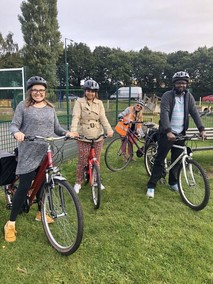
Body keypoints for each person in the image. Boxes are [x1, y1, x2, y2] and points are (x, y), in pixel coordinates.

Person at [4, 76, 71, 242]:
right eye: (35, 90)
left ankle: (41, 212)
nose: (38, 93)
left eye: (41, 90)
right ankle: (10, 223)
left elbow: (56, 128)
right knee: (25, 184)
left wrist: (66, 133)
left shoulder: (50, 108)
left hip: (46, 150)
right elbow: (13, 125)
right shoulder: (23, 106)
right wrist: (17, 133)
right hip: (28, 150)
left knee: (43, 182)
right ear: (30, 91)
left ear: (45, 92)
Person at [146, 71, 206, 198]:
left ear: (187, 84)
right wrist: (168, 131)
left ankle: (173, 183)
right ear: (174, 84)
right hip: (167, 133)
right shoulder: (168, 96)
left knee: (177, 161)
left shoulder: (188, 97)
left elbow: (194, 113)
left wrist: (201, 129)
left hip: (180, 134)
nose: (181, 85)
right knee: (160, 160)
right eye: (179, 83)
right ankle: (151, 185)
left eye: (184, 83)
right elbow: (164, 112)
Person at [70, 79, 114, 194]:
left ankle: (95, 180)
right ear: (85, 91)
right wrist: (73, 131)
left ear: (96, 92)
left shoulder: (99, 103)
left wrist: (109, 129)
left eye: (93, 91)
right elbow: (76, 117)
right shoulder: (79, 102)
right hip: (83, 135)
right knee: (82, 161)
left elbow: (103, 118)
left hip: (97, 135)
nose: (91, 93)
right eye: (89, 91)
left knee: (96, 160)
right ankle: (78, 182)